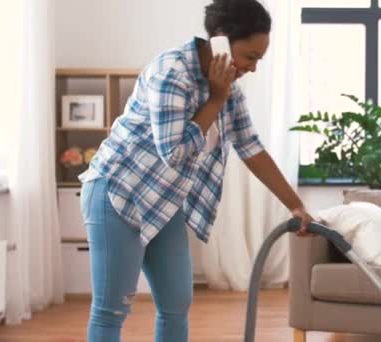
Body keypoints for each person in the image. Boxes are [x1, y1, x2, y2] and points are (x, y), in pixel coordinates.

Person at [78, 0, 313, 340]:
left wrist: (296, 205)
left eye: (259, 58)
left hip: (164, 201)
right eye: (250, 56)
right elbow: (173, 152)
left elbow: (252, 148)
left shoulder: (230, 89)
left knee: (176, 304)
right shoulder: (171, 73)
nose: (254, 67)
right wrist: (215, 100)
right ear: (220, 40)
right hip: (118, 194)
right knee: (111, 309)